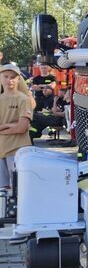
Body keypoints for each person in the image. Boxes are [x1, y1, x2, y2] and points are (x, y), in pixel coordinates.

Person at [0, 63, 34, 191]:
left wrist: (3, 127)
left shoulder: (23, 99)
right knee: (3, 193)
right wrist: (10, 125)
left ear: (19, 79)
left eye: (13, 77)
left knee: (19, 190)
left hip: (17, 151)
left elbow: (22, 128)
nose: (10, 80)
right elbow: (18, 127)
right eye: (6, 76)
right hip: (1, 151)